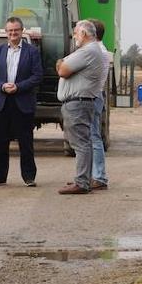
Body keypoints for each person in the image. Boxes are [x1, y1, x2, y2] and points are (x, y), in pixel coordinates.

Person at [0, 16, 43, 187]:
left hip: (23, 101)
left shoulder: (32, 52)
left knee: (25, 142)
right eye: (10, 31)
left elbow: (37, 76)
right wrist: (2, 85)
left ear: (22, 31)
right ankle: (0, 176)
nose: (13, 33)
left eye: (16, 30)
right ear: (6, 32)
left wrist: (18, 87)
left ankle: (29, 177)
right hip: (2, 101)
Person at [55, 20, 106, 195]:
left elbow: (62, 69)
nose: (74, 36)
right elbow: (64, 67)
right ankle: (83, 178)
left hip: (78, 103)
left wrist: (62, 63)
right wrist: (63, 64)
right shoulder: (91, 51)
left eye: (76, 33)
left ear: (84, 34)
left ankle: (82, 182)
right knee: (84, 143)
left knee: (81, 144)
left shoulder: (87, 51)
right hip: (80, 102)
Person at [88, 19, 111, 191]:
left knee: (93, 137)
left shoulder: (97, 52)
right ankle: (91, 176)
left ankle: (99, 176)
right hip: (95, 96)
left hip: (93, 97)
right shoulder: (100, 51)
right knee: (90, 138)